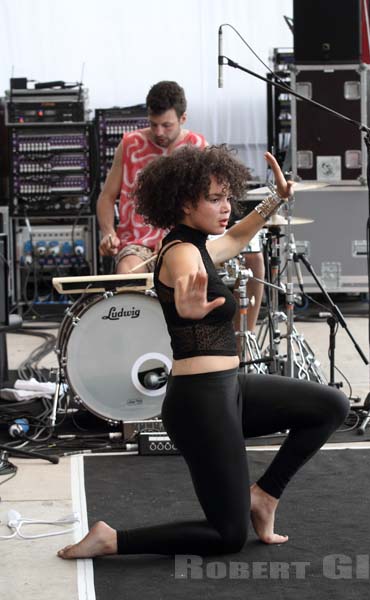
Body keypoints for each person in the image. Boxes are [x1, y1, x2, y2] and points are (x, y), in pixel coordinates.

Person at [58, 146, 349, 560]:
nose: (226, 207)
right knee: (226, 536)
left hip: (227, 390)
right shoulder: (180, 253)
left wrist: (275, 199)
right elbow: (183, 280)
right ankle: (111, 539)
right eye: (215, 199)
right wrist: (184, 307)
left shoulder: (197, 244)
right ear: (183, 203)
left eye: (227, 196)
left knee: (330, 405)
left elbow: (236, 237)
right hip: (200, 404)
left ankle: (265, 495)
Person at [97, 80, 207, 274]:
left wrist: (173, 241)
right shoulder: (130, 144)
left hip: (184, 239)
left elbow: (205, 204)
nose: (159, 132)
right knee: (127, 273)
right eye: (153, 124)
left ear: (183, 119)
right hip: (137, 243)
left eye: (167, 125)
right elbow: (106, 198)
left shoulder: (198, 147)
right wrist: (108, 233)